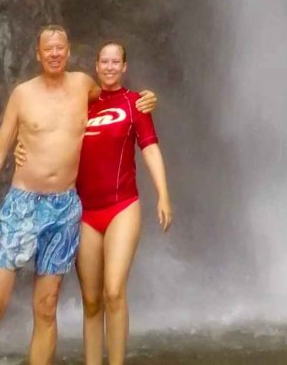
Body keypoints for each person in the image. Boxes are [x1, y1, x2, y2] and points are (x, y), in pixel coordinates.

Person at [0, 25, 157, 365]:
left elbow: (115, 96)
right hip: (23, 203)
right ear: (38, 54)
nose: (54, 53)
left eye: (60, 48)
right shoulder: (23, 94)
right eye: (47, 49)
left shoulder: (83, 86)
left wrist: (146, 98)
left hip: (65, 207)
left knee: (47, 307)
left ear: (68, 52)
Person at [73, 41, 172, 365]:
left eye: (117, 61)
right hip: (84, 211)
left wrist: (163, 194)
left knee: (113, 291)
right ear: (96, 65)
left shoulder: (135, 104)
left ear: (124, 67)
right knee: (90, 301)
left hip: (122, 206)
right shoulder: (80, 103)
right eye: (105, 61)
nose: (110, 67)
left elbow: (150, 149)